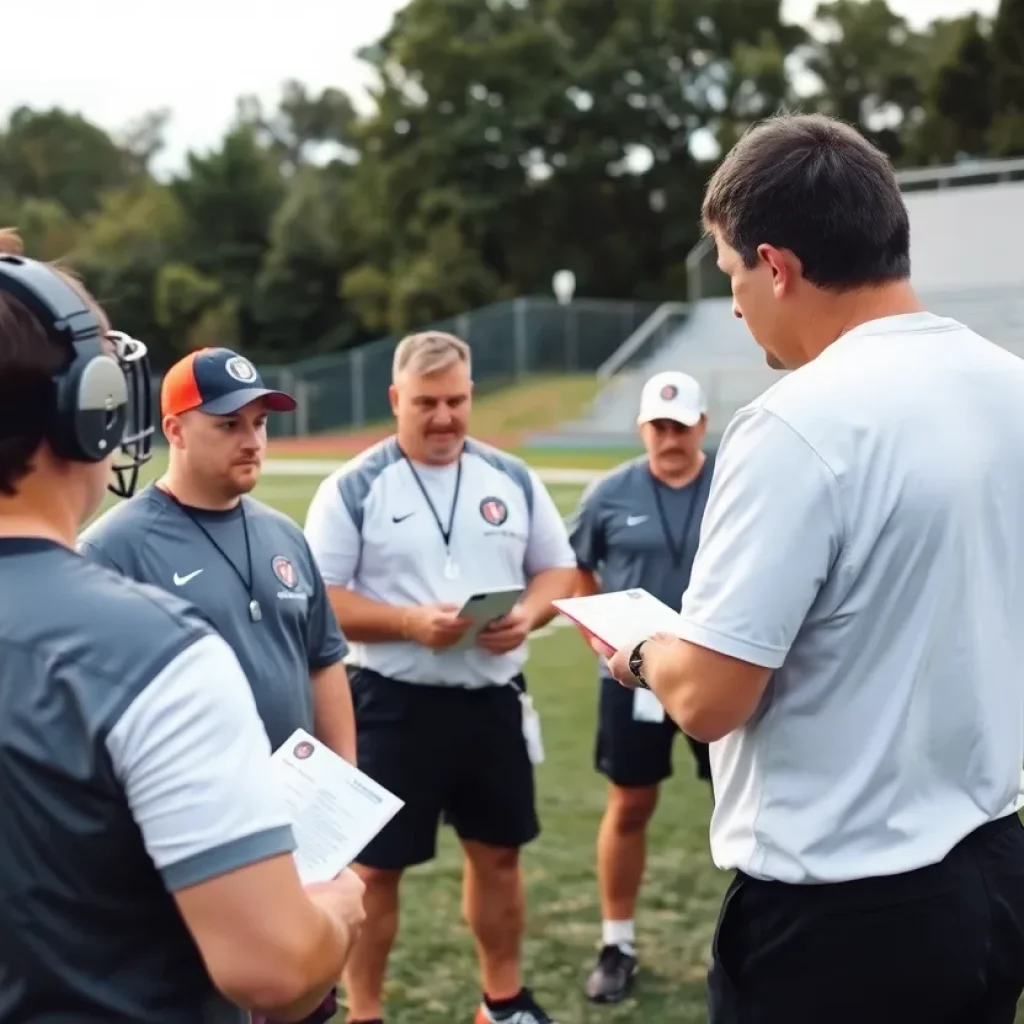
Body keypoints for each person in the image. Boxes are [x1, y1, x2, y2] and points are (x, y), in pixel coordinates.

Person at [600, 112, 1024, 1024]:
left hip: (843, 912)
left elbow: (711, 697)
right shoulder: (1011, 386)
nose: (738, 306)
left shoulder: (797, 423)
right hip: (991, 876)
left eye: (732, 276)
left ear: (778, 265)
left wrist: (641, 646)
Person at [0, 229, 365, 1024]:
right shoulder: (153, 649)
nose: (251, 438)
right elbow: (273, 968)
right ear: (90, 414)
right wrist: (335, 909)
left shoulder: (273, 537)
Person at [303, 330, 578, 1024]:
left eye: (456, 400)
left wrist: (531, 613)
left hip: (491, 700)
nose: (444, 417)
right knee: (373, 874)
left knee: (499, 857)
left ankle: (503, 1002)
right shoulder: (356, 484)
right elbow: (321, 597)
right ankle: (364, 1012)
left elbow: (558, 569)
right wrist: (406, 623)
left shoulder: (511, 477)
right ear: (396, 399)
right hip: (391, 704)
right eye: (426, 402)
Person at [78, 346, 355, 763]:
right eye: (229, 425)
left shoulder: (285, 535)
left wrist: (343, 775)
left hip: (299, 806)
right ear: (175, 431)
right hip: (188, 810)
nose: (252, 442)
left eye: (259, 423)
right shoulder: (114, 549)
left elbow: (323, 662)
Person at [564, 369, 715, 1005]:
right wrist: (600, 638)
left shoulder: (736, 485)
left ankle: (751, 937)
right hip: (635, 676)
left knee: (746, 804)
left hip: (719, 671)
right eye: (659, 425)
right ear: (641, 428)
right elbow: (578, 568)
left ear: (702, 426)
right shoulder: (609, 494)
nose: (670, 438)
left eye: (681, 426)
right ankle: (616, 941)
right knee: (629, 805)